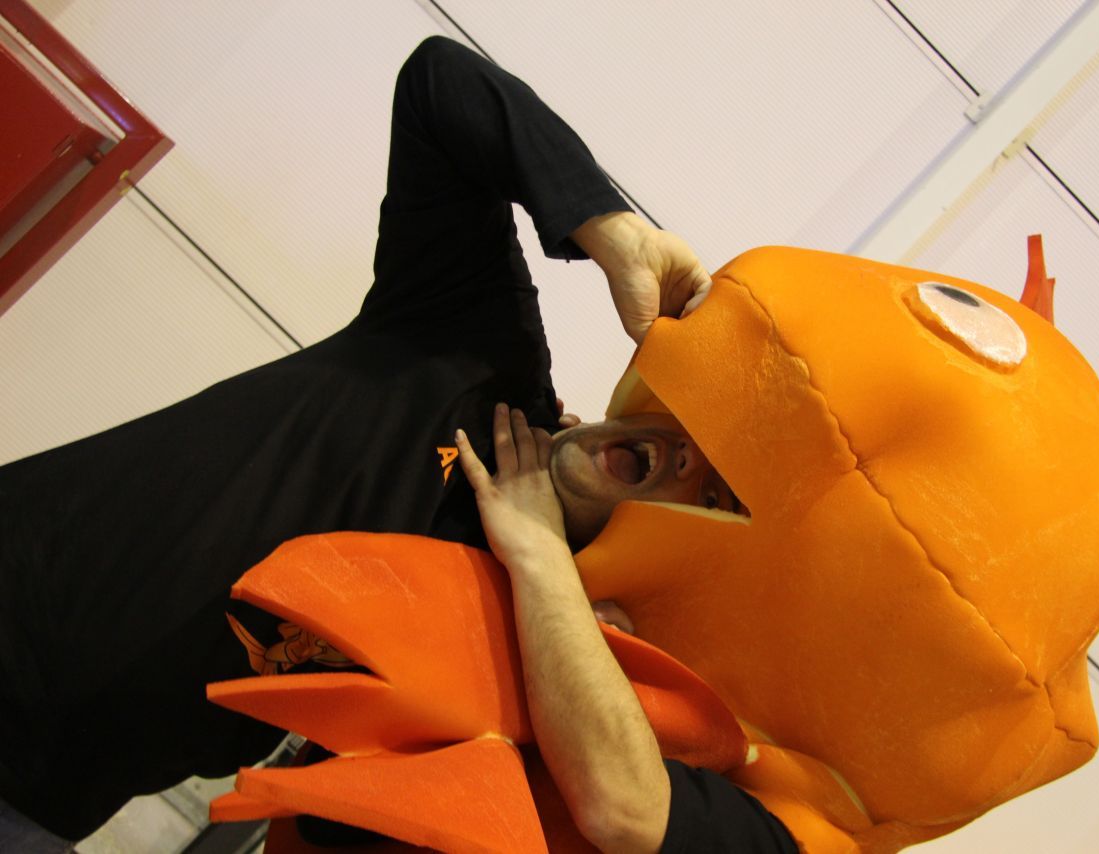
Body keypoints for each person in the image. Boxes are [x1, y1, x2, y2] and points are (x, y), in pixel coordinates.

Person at [0, 36, 794, 851]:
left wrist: (548, 586)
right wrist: (612, 228)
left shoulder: (529, 631)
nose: (687, 458)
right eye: (698, 435)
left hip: (48, 801)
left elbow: (341, 817)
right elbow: (439, 85)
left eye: (712, 497)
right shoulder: (477, 349)